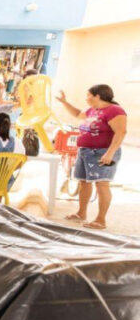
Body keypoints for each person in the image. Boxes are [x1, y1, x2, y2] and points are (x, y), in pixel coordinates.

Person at [56, 84, 127, 229]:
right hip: (85, 151)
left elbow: (121, 132)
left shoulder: (115, 110)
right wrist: (64, 102)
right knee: (84, 182)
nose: (86, 98)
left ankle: (101, 220)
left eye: (88, 95)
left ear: (97, 96)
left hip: (102, 153)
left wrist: (110, 153)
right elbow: (77, 114)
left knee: (101, 184)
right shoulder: (93, 110)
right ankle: (81, 213)